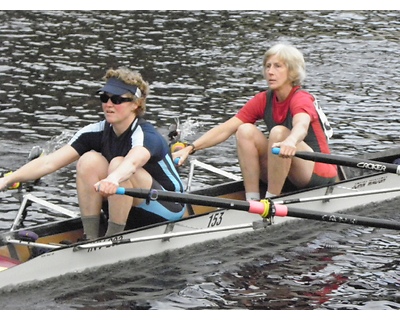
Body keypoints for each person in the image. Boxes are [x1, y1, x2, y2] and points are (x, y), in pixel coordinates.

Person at [0, 67, 186, 239]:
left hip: (168, 206)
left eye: (117, 100)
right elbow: (49, 163)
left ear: (136, 104)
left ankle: (112, 239)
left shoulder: (146, 135)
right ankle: (91, 237)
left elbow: (132, 162)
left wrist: (112, 179)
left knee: (118, 164)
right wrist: (7, 180)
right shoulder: (95, 131)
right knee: (88, 160)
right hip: (127, 201)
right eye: (104, 98)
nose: (108, 104)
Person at [173, 43, 338, 201]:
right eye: (268, 66)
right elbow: (226, 128)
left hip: (318, 172)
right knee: (244, 130)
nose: (270, 72)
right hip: (286, 171)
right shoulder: (264, 99)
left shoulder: (301, 98)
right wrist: (190, 148)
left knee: (278, 132)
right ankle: (252, 200)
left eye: (277, 66)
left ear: (292, 72)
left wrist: (291, 141)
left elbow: (301, 125)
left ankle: (271, 200)